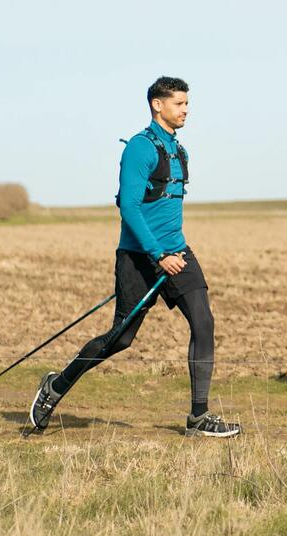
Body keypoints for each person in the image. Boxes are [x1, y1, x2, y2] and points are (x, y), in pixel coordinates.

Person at [30, 76, 241, 437]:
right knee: (120, 339)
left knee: (204, 323)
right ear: (158, 105)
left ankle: (198, 418)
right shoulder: (140, 148)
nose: (186, 110)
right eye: (179, 103)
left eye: (187, 103)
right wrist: (158, 254)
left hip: (178, 253)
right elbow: (128, 206)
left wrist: (171, 252)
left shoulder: (179, 150)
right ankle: (57, 386)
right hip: (140, 256)